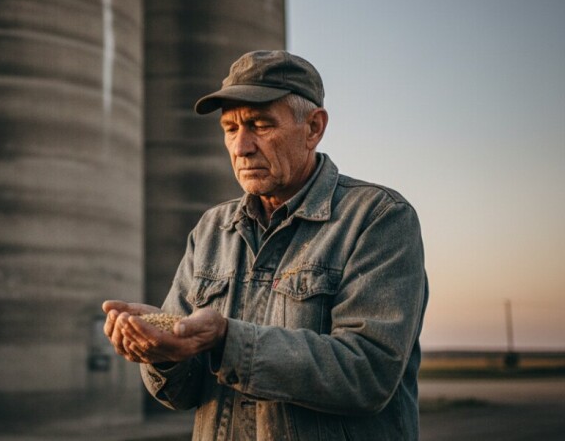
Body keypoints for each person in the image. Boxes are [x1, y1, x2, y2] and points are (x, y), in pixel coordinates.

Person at [103, 50, 429, 440]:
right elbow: (184, 394)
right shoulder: (212, 229)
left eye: (259, 125)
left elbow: (368, 373)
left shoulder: (377, 218)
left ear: (313, 128)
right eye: (230, 128)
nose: (241, 147)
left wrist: (227, 340)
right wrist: (163, 357)